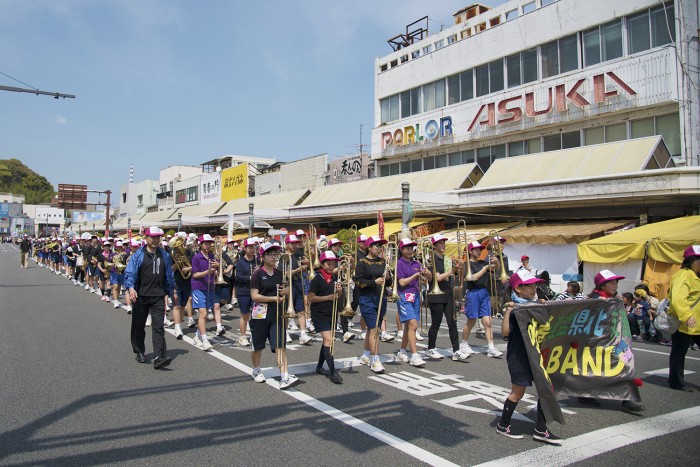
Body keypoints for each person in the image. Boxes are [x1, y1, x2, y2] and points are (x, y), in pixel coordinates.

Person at [496, 269, 562, 445]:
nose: (533, 288)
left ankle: (541, 429)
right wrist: (509, 311)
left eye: (534, 285)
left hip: (537, 355)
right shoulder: (514, 306)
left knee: (544, 390)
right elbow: (504, 333)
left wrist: (543, 306)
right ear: (517, 288)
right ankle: (503, 425)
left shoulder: (537, 304)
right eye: (529, 285)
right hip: (519, 356)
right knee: (517, 394)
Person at [586, 269, 645, 412]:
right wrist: (596, 304)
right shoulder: (595, 298)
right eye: (611, 283)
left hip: (616, 341)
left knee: (625, 363)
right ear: (602, 285)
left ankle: (627, 399)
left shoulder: (616, 298)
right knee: (594, 368)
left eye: (616, 282)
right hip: (600, 342)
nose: (615, 285)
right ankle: (585, 394)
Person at [250, 241, 299, 389]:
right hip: (260, 313)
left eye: (275, 254)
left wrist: (286, 292)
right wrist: (273, 298)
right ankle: (256, 369)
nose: (274, 257)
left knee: (280, 345)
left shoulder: (280, 273)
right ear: (263, 257)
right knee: (257, 346)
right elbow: (254, 296)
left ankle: (284, 376)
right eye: (270, 254)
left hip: (277, 313)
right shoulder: (257, 274)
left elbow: (288, 289)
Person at [124, 226, 175, 369]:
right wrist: (131, 287)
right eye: (152, 237)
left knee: (158, 326)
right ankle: (139, 351)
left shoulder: (164, 255)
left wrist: (172, 291)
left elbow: (169, 274)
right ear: (146, 238)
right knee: (138, 326)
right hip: (141, 296)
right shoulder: (138, 255)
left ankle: (160, 356)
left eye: (158, 237)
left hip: (158, 296)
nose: (155, 240)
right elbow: (130, 273)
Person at [461, 241, 503, 358]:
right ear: (470, 251)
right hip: (473, 293)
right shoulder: (467, 264)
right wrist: (485, 269)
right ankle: (464, 344)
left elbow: (496, 269)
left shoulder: (482, 262)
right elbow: (472, 278)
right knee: (472, 321)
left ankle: (491, 347)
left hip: (484, 292)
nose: (479, 251)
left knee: (488, 322)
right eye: (476, 249)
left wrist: (497, 262)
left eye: (480, 249)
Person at [667, 245, 700, 392]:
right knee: (679, 353)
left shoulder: (696, 276)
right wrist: (687, 316)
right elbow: (678, 298)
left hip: (696, 322)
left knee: (679, 352)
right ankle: (676, 381)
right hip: (684, 322)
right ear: (690, 260)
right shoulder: (683, 275)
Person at [355, 235, 390, 374]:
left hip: (380, 297)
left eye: (380, 246)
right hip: (366, 298)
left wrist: (388, 277)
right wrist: (373, 282)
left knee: (372, 329)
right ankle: (375, 359)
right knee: (374, 328)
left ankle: (365, 354)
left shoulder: (383, 261)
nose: (379, 248)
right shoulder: (362, 262)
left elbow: (389, 283)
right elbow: (358, 281)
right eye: (376, 246)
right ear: (369, 247)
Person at [425, 233, 462, 361]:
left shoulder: (446, 259)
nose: (443, 245)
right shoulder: (431, 259)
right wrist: (452, 270)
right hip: (436, 294)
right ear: (434, 246)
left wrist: (457, 268)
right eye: (440, 243)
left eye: (443, 243)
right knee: (436, 323)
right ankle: (431, 348)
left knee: (453, 323)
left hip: (447, 293)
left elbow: (453, 275)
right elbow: (438, 278)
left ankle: (456, 350)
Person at [309, 250, 344, 383]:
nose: (331, 266)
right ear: (322, 264)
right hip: (319, 313)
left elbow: (336, 297)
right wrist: (328, 297)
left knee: (327, 342)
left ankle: (319, 366)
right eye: (328, 264)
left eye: (333, 264)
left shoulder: (335, 278)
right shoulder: (317, 279)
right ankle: (333, 372)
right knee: (329, 341)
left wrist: (339, 293)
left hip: (331, 312)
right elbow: (311, 298)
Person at [395, 238, 429, 367]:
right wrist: (415, 276)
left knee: (410, 326)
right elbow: (402, 282)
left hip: (415, 295)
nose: (410, 251)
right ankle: (415, 355)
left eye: (411, 248)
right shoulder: (399, 263)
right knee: (413, 325)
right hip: (404, 296)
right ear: (401, 250)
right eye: (407, 248)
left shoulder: (417, 263)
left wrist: (426, 275)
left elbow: (425, 279)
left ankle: (402, 351)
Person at [190, 234, 219, 351]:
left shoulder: (212, 256)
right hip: (198, 287)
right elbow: (195, 275)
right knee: (203, 314)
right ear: (201, 245)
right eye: (205, 243)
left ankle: (197, 336)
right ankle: (205, 340)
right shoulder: (196, 257)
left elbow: (216, 272)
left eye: (209, 243)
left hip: (210, 287)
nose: (208, 246)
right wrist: (208, 271)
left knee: (205, 314)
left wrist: (217, 268)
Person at [235, 238, 258, 346]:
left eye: (253, 247)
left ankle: (255, 335)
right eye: (250, 247)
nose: (252, 249)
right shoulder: (240, 262)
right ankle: (243, 336)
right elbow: (239, 277)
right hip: (243, 291)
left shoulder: (257, 260)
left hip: (255, 291)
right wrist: (251, 277)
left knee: (256, 314)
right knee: (245, 314)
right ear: (245, 248)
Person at [171, 232, 193, 340]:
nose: (179, 245)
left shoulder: (189, 252)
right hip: (176, 282)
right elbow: (171, 270)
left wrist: (189, 269)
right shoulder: (172, 253)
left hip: (187, 281)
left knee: (183, 306)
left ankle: (178, 324)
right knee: (177, 306)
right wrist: (177, 262)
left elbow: (194, 266)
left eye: (181, 241)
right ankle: (177, 327)